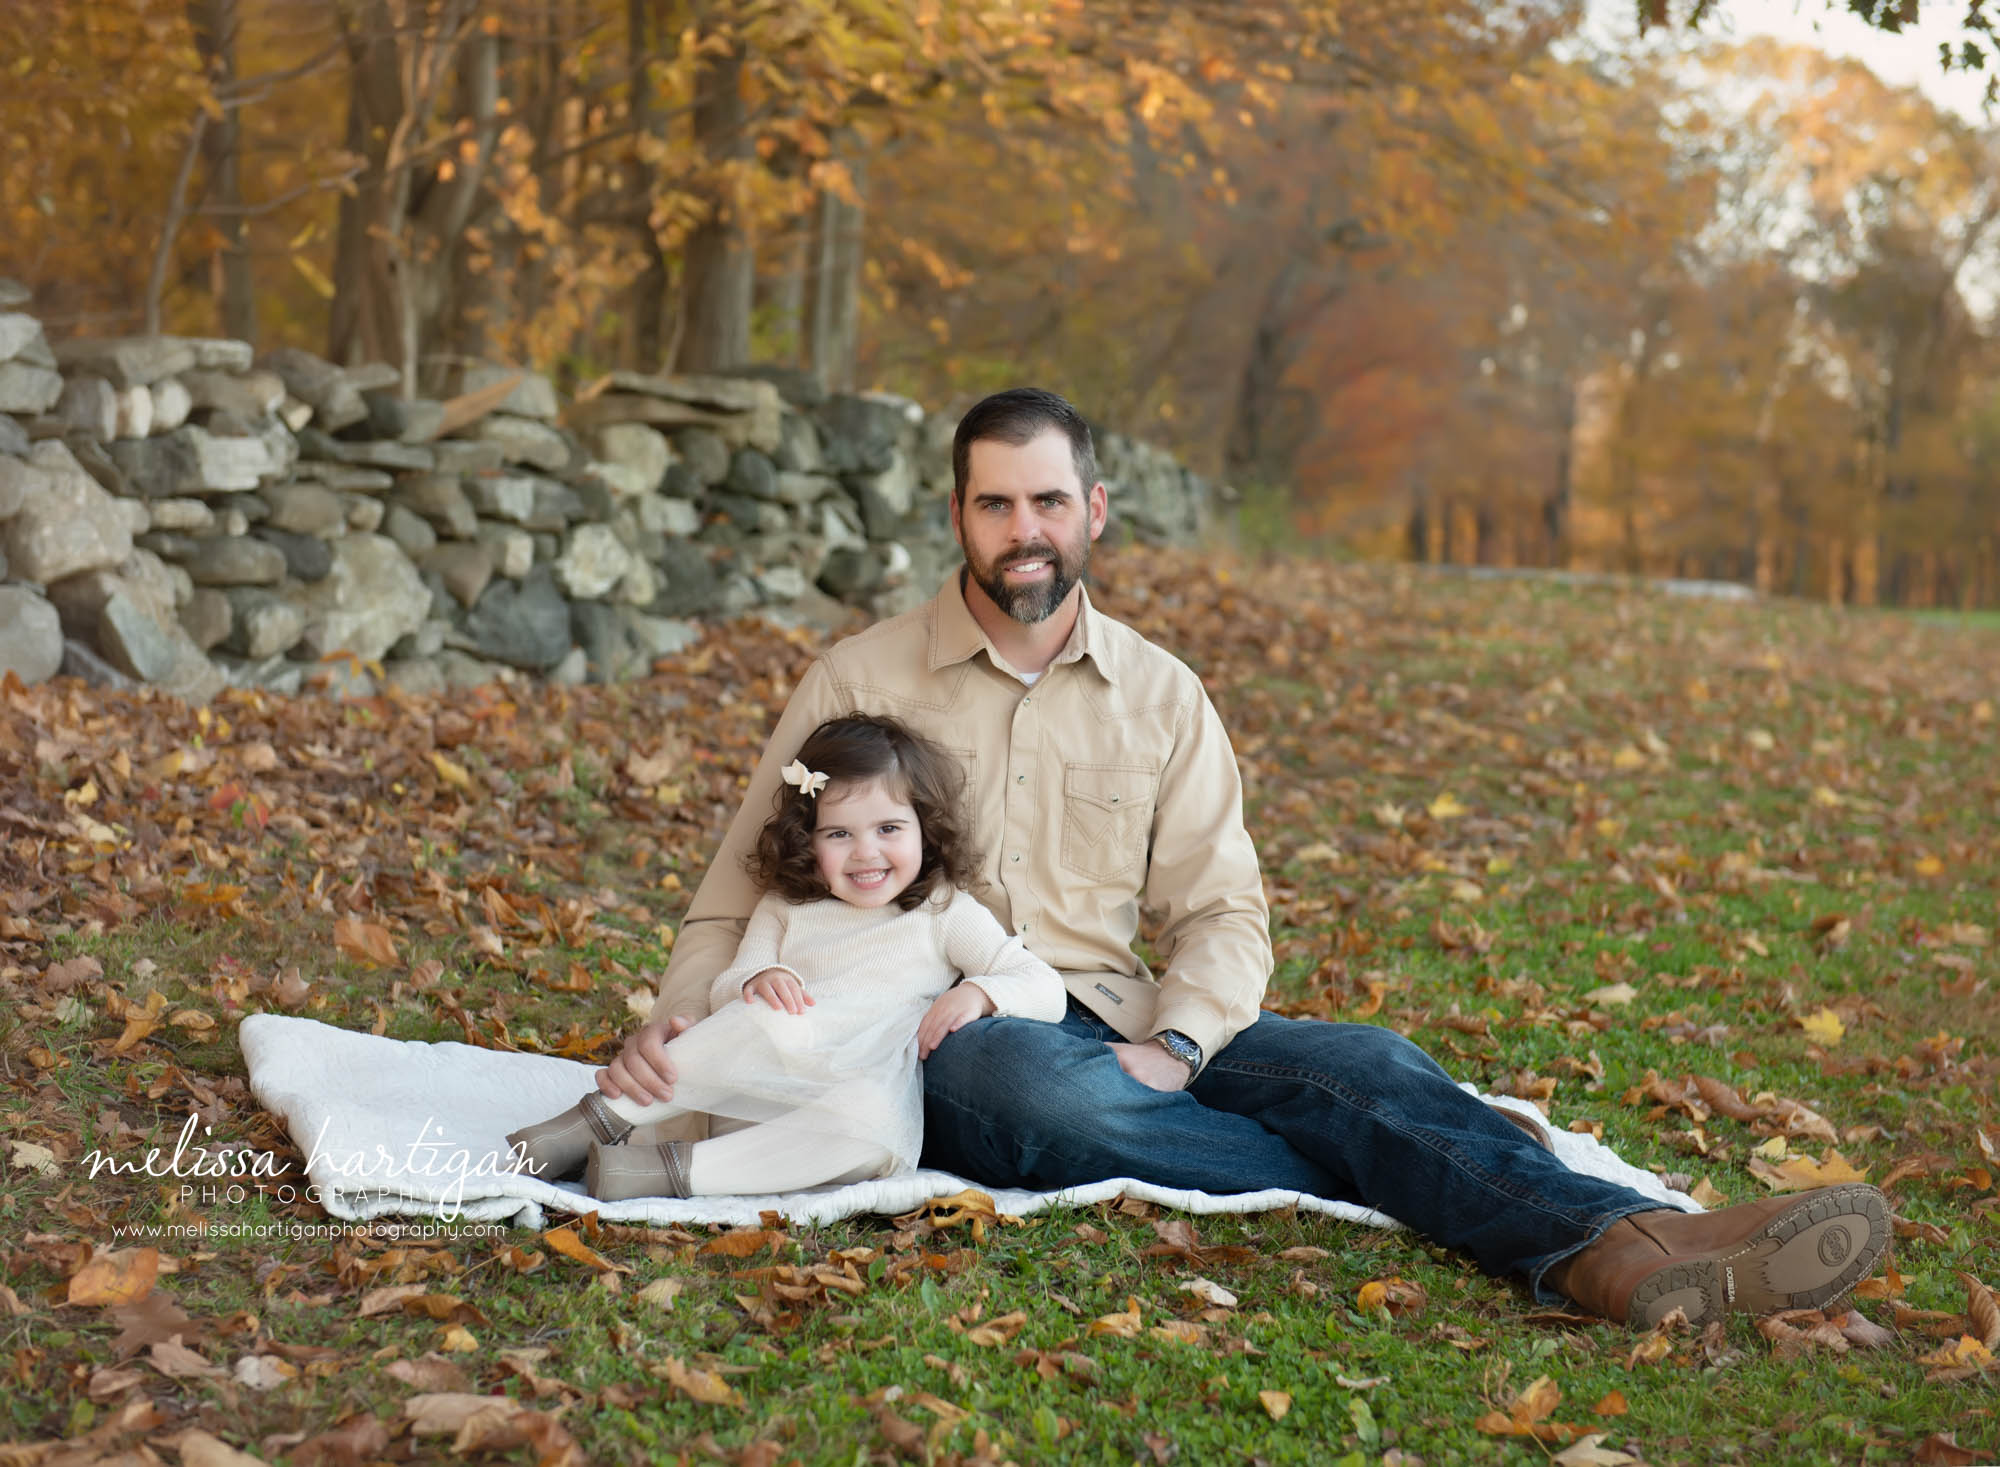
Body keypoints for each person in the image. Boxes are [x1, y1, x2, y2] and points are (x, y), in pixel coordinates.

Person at [597, 387, 1888, 1327]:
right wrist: (675, 1026)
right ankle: (1530, 1204)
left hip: (1116, 1012)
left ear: (1095, 509)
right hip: (927, 1037)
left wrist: (1181, 1045)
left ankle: (1628, 1249)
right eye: (996, 503)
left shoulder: (1161, 692)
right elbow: (733, 896)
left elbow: (1222, 910)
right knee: (1048, 1089)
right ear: (957, 515)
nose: (1025, 528)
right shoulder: (857, 679)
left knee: (1365, 1062)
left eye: (1050, 499)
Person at [506, 714, 1066, 1201]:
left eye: (890, 828)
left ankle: (658, 1173)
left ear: (927, 829)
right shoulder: (787, 908)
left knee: (872, 1129)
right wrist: (761, 978)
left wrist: (980, 991)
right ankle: (592, 1124)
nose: (866, 852)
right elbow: (729, 992)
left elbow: (1043, 986)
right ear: (808, 840)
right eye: (840, 833)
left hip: (833, 1111)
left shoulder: (943, 910)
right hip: (755, 1092)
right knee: (770, 1018)